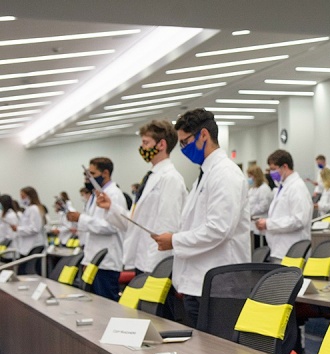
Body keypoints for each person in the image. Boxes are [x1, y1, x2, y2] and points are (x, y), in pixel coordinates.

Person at [152, 108, 250, 327]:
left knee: (216, 348)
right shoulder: (205, 175)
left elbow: (219, 229)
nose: (183, 149)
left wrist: (175, 240)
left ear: (203, 135)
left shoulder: (225, 173)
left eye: (185, 142)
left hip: (219, 287)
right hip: (199, 283)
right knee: (200, 347)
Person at [97, 120, 187, 276]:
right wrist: (111, 207)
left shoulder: (170, 178)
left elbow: (167, 226)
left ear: (161, 145)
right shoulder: (150, 177)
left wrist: (156, 270)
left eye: (146, 143)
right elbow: (136, 221)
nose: (142, 147)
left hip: (155, 264)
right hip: (142, 260)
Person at [67, 157, 127, 301]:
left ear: (105, 173)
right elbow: (92, 226)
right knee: (93, 305)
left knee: (106, 305)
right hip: (93, 260)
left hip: (107, 262)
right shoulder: (96, 195)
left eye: (92, 174)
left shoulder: (114, 194)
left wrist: (81, 219)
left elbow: (112, 226)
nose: (88, 178)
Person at [255, 150, 312, 264]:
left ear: (285, 166)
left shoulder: (297, 188)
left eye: (273, 169)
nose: (271, 173)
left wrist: (269, 224)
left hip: (291, 251)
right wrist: (266, 224)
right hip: (280, 250)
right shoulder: (283, 187)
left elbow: (299, 220)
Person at [10, 186, 47, 257]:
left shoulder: (34, 209)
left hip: (34, 245)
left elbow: (35, 228)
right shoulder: (28, 209)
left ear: (30, 196)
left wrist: (18, 229)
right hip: (27, 245)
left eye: (23, 196)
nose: (21, 199)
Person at [247, 164, 273, 249]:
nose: (249, 178)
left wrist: (250, 212)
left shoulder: (264, 189)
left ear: (256, 176)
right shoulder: (252, 189)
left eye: (250, 176)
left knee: (261, 247)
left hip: (261, 223)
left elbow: (263, 206)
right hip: (252, 224)